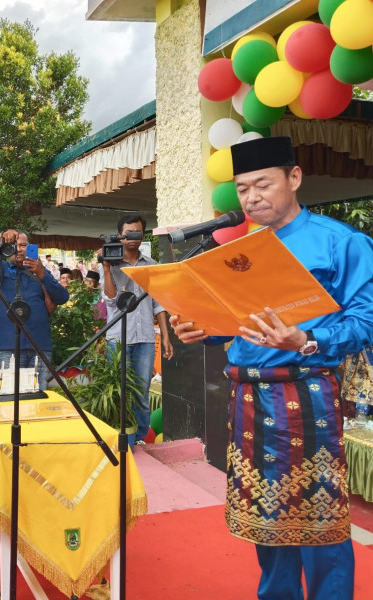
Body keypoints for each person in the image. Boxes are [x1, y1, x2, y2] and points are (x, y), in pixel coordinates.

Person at [170, 136, 373, 600]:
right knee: (268, 518)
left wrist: (309, 340)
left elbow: (367, 320)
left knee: (318, 522)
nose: (251, 197)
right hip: (247, 397)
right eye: (242, 189)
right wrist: (208, 329)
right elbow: (240, 324)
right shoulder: (242, 249)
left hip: (307, 396)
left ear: (294, 178)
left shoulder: (341, 243)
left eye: (262, 184)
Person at [102, 213, 174, 444]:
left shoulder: (150, 265)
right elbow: (111, 299)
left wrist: (164, 336)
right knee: (120, 390)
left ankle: (141, 438)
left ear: (143, 234)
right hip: (118, 338)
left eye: (137, 232)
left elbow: (158, 302)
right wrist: (105, 268)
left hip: (144, 337)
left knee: (141, 391)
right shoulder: (111, 262)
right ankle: (123, 436)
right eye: (127, 233)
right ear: (119, 235)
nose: (132, 238)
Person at [0, 229, 69, 390]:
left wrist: (42, 274)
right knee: (9, 395)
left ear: (31, 248)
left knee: (39, 396)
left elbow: (62, 297)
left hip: (39, 346)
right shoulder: (1, 269)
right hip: (8, 346)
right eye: (14, 245)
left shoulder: (40, 272)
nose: (18, 249)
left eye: (23, 245)